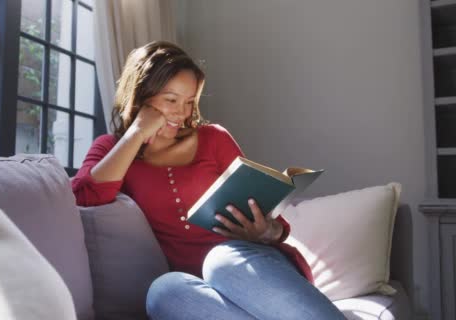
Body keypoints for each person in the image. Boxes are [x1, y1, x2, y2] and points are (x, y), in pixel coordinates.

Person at [72, 41, 345, 320]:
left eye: (189, 102)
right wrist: (136, 134)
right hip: (199, 290)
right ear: (142, 95)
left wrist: (267, 232)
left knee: (221, 260)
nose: (182, 113)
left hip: (257, 270)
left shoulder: (214, 138)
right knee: (162, 291)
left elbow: (276, 223)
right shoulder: (113, 149)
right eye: (171, 100)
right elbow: (85, 197)